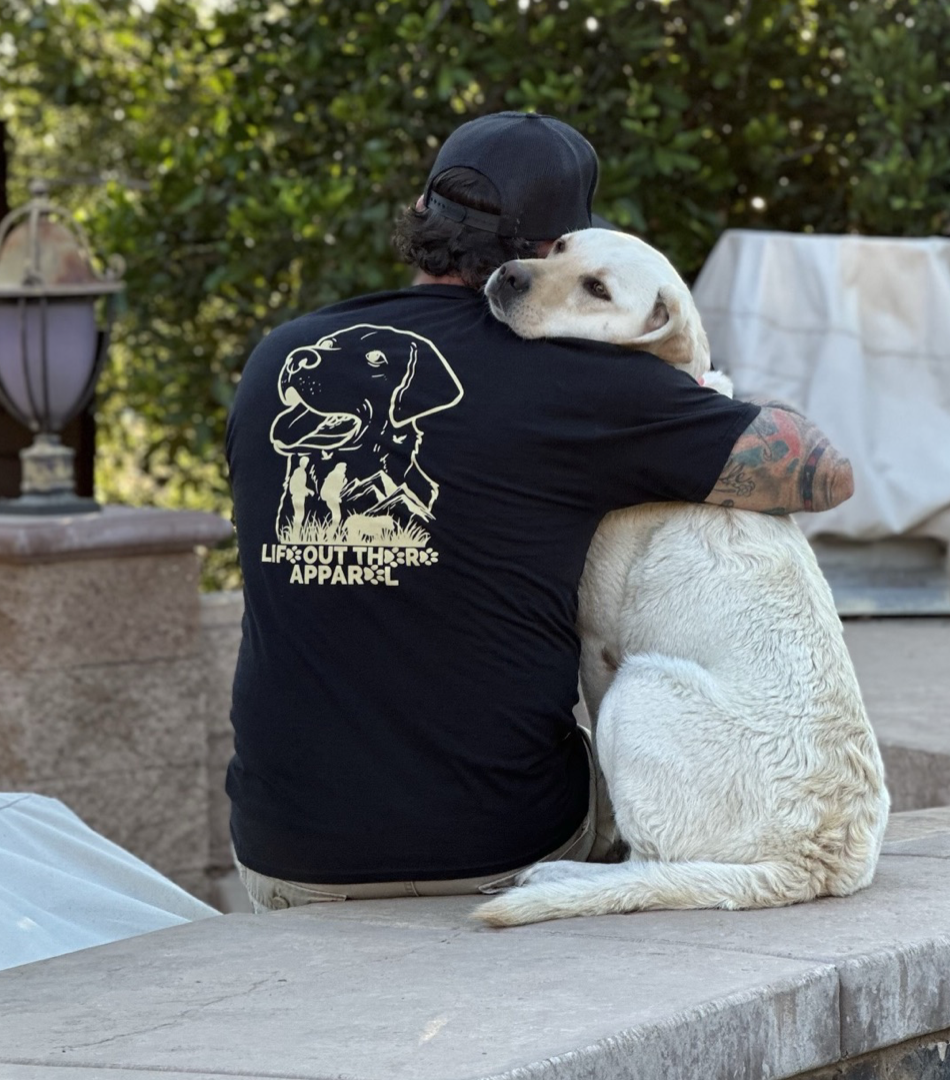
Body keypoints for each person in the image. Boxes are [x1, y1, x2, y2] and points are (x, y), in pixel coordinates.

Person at [224, 111, 854, 912]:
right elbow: (824, 472)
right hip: (503, 846)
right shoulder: (578, 382)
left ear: (420, 215)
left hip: (285, 855)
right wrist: (686, 394)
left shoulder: (282, 356)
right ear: (556, 248)